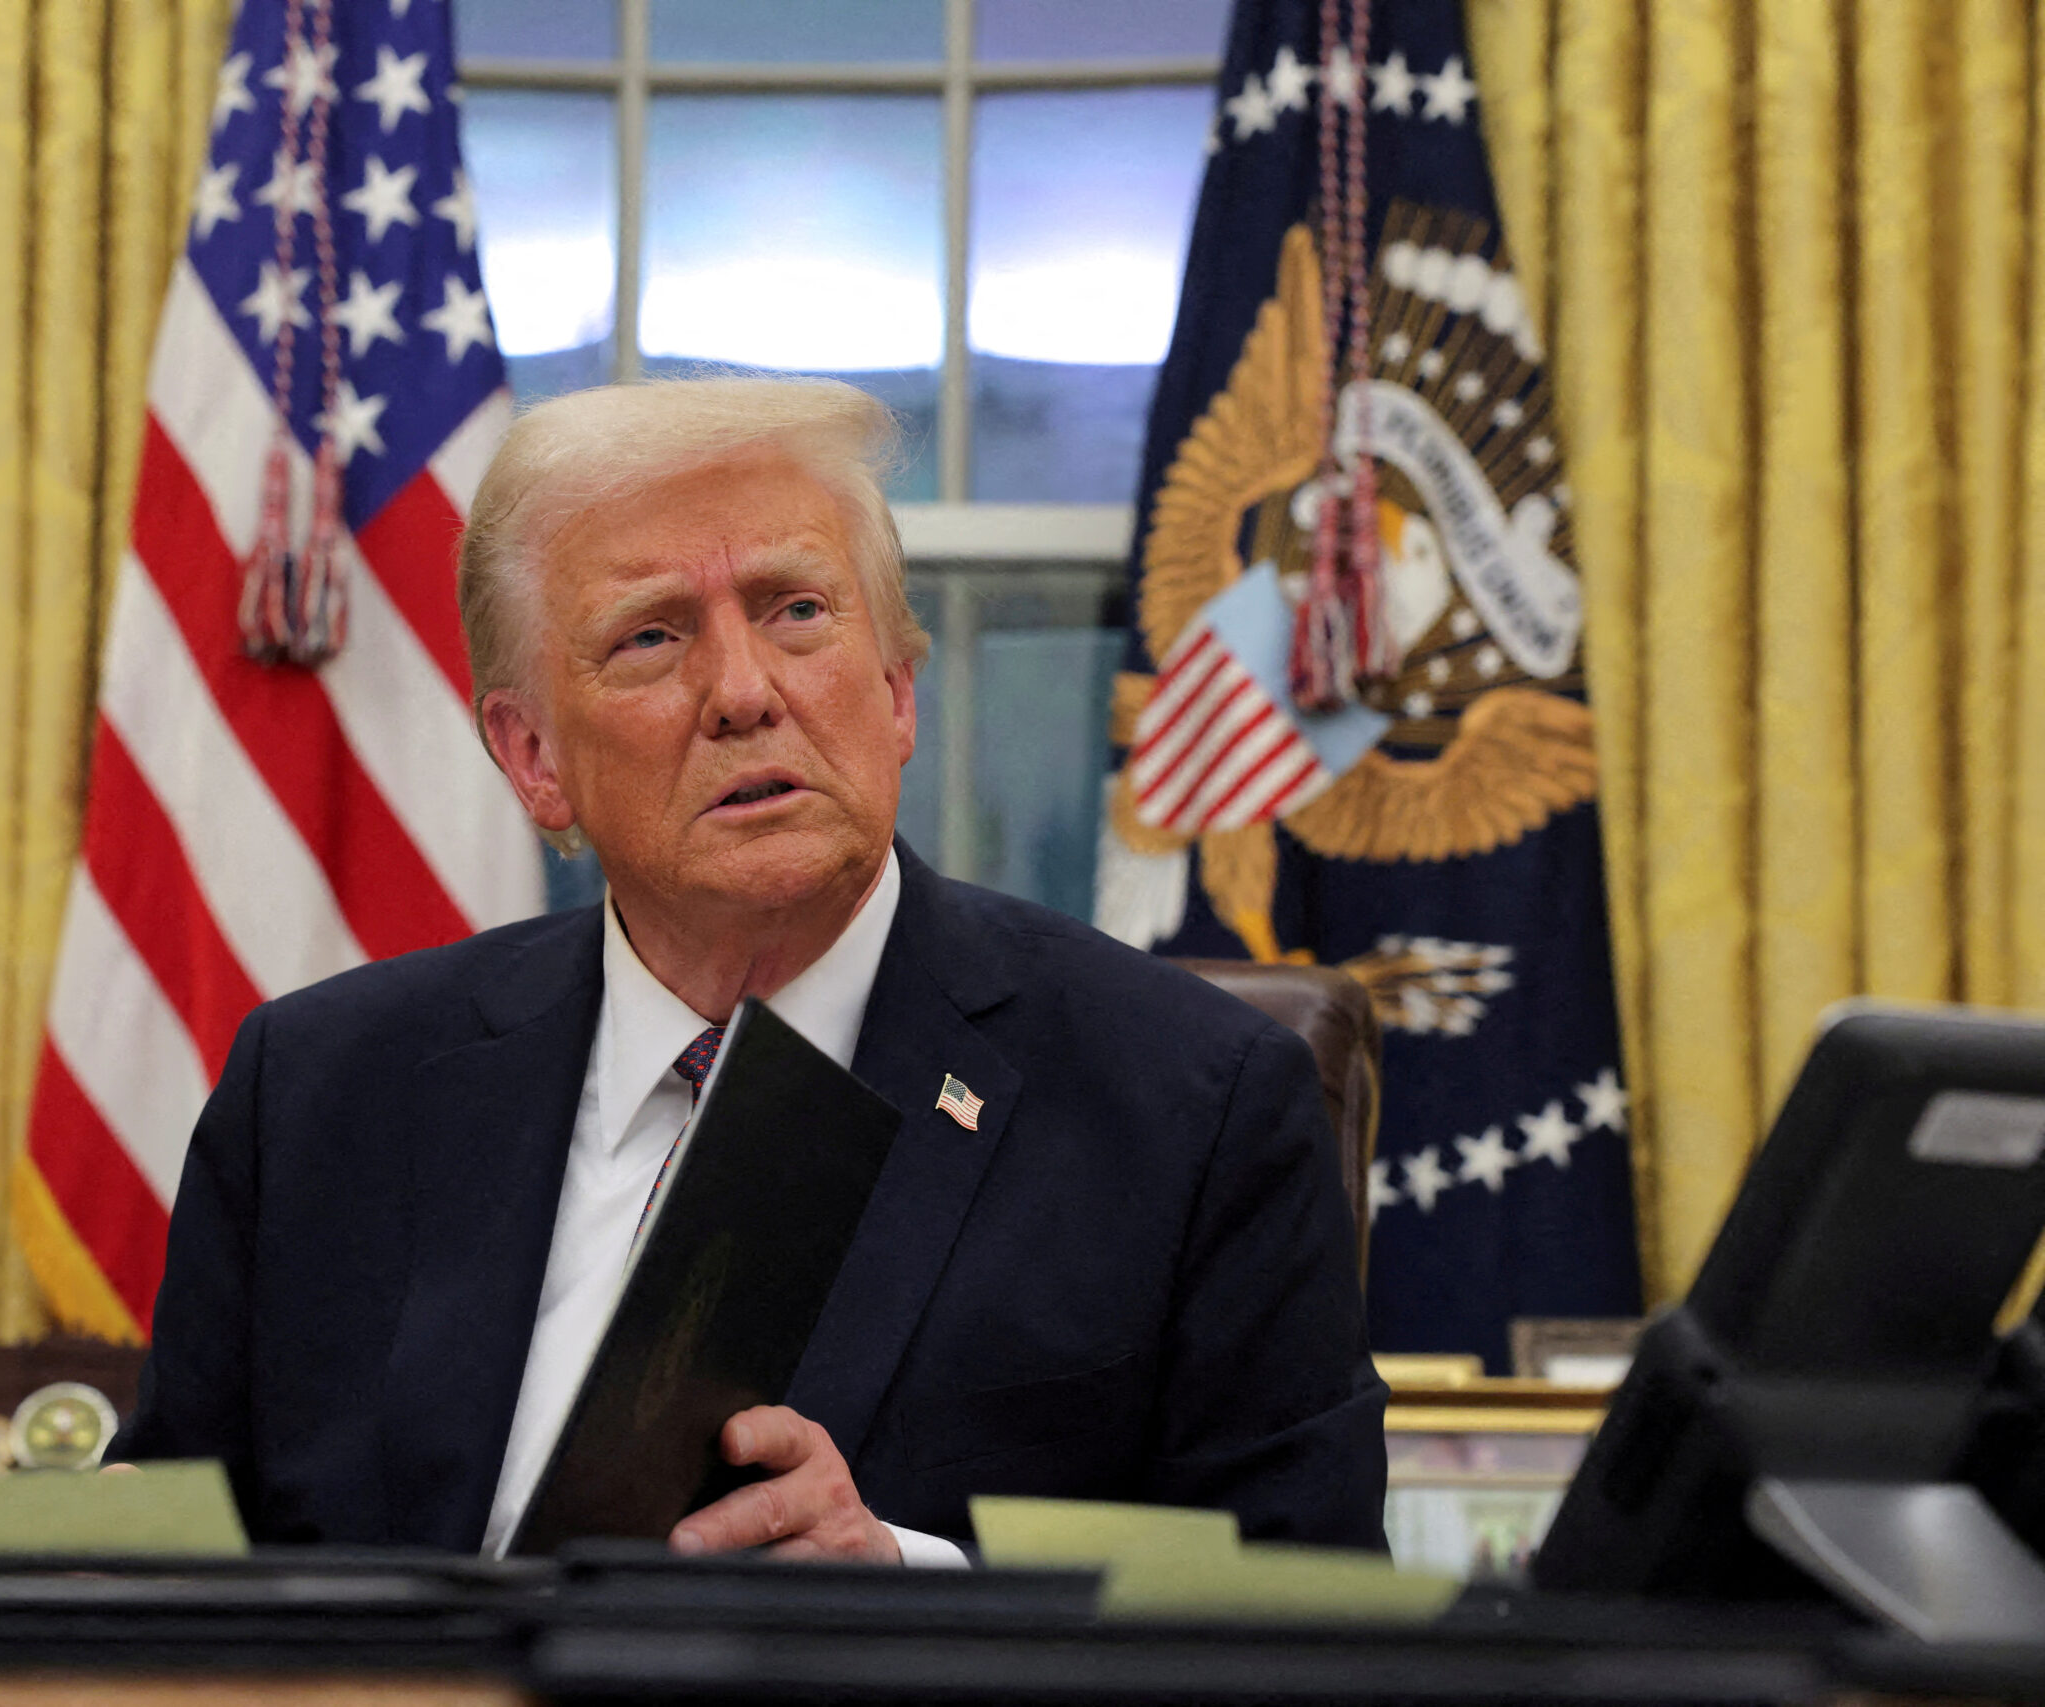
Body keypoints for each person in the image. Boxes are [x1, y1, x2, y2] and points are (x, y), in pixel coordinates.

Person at [114, 376, 1388, 1563]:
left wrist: (910, 1586)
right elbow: (168, 1558)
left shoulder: (1191, 1106)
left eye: (795, 611)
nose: (742, 692)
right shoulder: (323, 1095)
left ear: (896, 691)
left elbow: (1287, 1599)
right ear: (532, 756)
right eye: (652, 638)